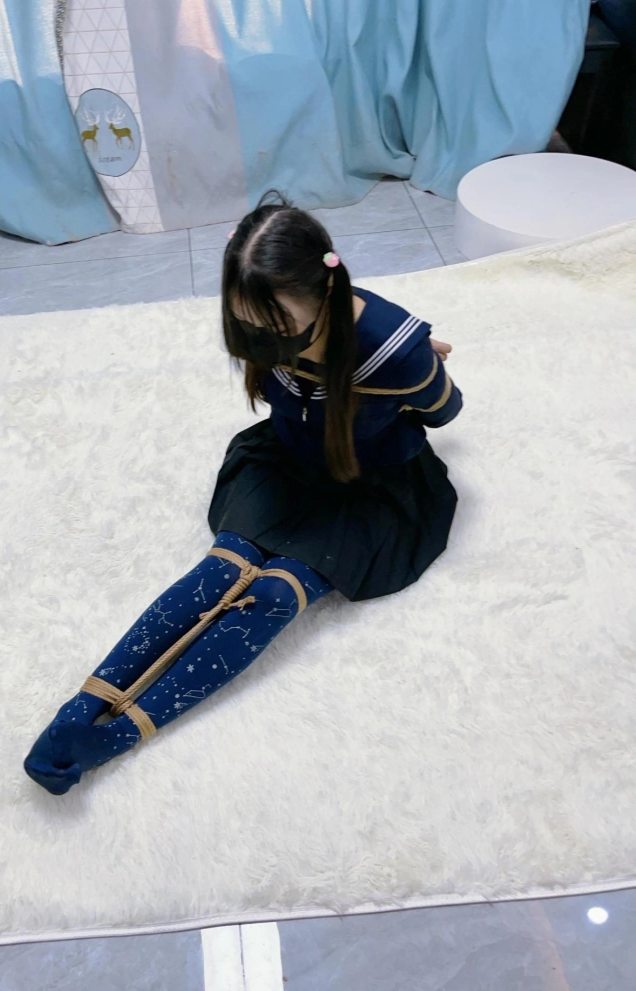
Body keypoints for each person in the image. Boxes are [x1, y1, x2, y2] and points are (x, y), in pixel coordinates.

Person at [24, 193, 462, 795]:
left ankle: (120, 734)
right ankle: (82, 707)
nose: (259, 338)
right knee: (219, 571)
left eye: (274, 325)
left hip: (370, 486)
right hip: (285, 459)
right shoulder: (264, 330)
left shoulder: (393, 352)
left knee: (275, 594)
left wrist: (417, 367)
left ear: (324, 293)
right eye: (246, 322)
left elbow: (445, 410)